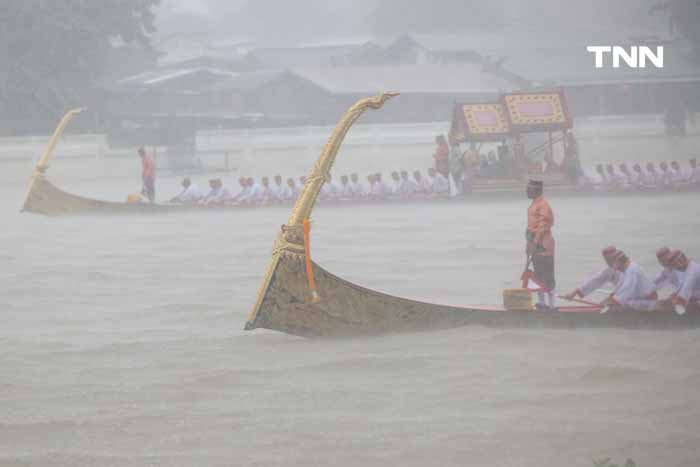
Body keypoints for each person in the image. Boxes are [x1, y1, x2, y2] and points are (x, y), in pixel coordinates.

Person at [526, 179, 556, 309]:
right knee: (537, 275)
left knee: (547, 276)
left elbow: (543, 226)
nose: (526, 191)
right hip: (534, 243)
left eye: (529, 189)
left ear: (537, 190)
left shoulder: (543, 204)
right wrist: (528, 245)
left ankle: (552, 305)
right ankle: (542, 303)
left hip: (544, 244)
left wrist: (534, 243)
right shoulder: (533, 204)